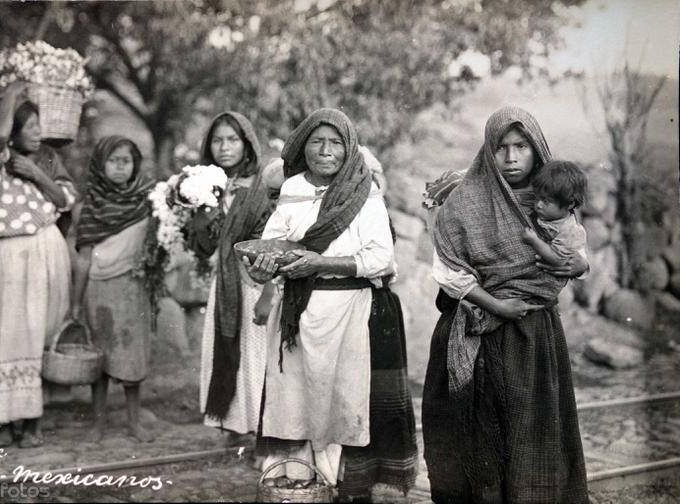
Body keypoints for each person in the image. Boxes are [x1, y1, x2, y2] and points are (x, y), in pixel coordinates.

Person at [244, 108, 418, 501]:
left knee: (341, 402)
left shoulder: (365, 195)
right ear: (303, 147)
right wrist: (262, 266)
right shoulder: (291, 194)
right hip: (296, 314)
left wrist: (320, 262)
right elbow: (270, 250)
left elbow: (381, 259)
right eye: (316, 142)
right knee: (296, 400)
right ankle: (300, 482)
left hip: (348, 311)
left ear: (349, 147)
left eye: (335, 142)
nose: (326, 151)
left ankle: (341, 484)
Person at [421, 106, 590, 503]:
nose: (511, 158)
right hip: (475, 324)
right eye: (500, 147)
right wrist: (496, 305)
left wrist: (579, 265)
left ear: (537, 150)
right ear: (487, 150)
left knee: (528, 432)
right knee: (476, 436)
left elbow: (574, 254)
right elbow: (449, 272)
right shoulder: (465, 202)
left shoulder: (551, 200)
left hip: (532, 336)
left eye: (521, 146)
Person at [0, 82, 77, 448]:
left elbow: (65, 200)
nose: (39, 133)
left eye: (40, 126)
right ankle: (0, 418)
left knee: (29, 335)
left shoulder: (46, 161)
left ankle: (31, 421)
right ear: (11, 132)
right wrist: (12, 91)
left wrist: (36, 173)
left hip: (34, 255)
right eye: (30, 127)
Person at [193, 112, 276, 438]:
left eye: (232, 139)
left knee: (257, 358)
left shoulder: (262, 184)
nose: (224, 147)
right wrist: (202, 211)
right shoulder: (207, 188)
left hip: (255, 283)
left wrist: (268, 293)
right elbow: (202, 246)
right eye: (217, 140)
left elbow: (272, 240)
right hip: (225, 287)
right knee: (228, 354)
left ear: (247, 143)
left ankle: (263, 434)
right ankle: (234, 424)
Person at [72, 135, 154, 442]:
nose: (120, 168)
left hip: (134, 286)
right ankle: (98, 423)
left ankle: (134, 422)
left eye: (126, 161)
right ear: (100, 164)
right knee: (100, 358)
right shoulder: (91, 206)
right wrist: (77, 303)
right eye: (113, 161)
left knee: (132, 354)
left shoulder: (147, 200)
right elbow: (83, 259)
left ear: (135, 165)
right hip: (100, 289)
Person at [521, 160, 588, 267]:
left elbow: (558, 259)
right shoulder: (551, 215)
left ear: (570, 204)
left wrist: (534, 241)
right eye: (536, 198)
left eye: (546, 201)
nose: (538, 205)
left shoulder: (570, 231)